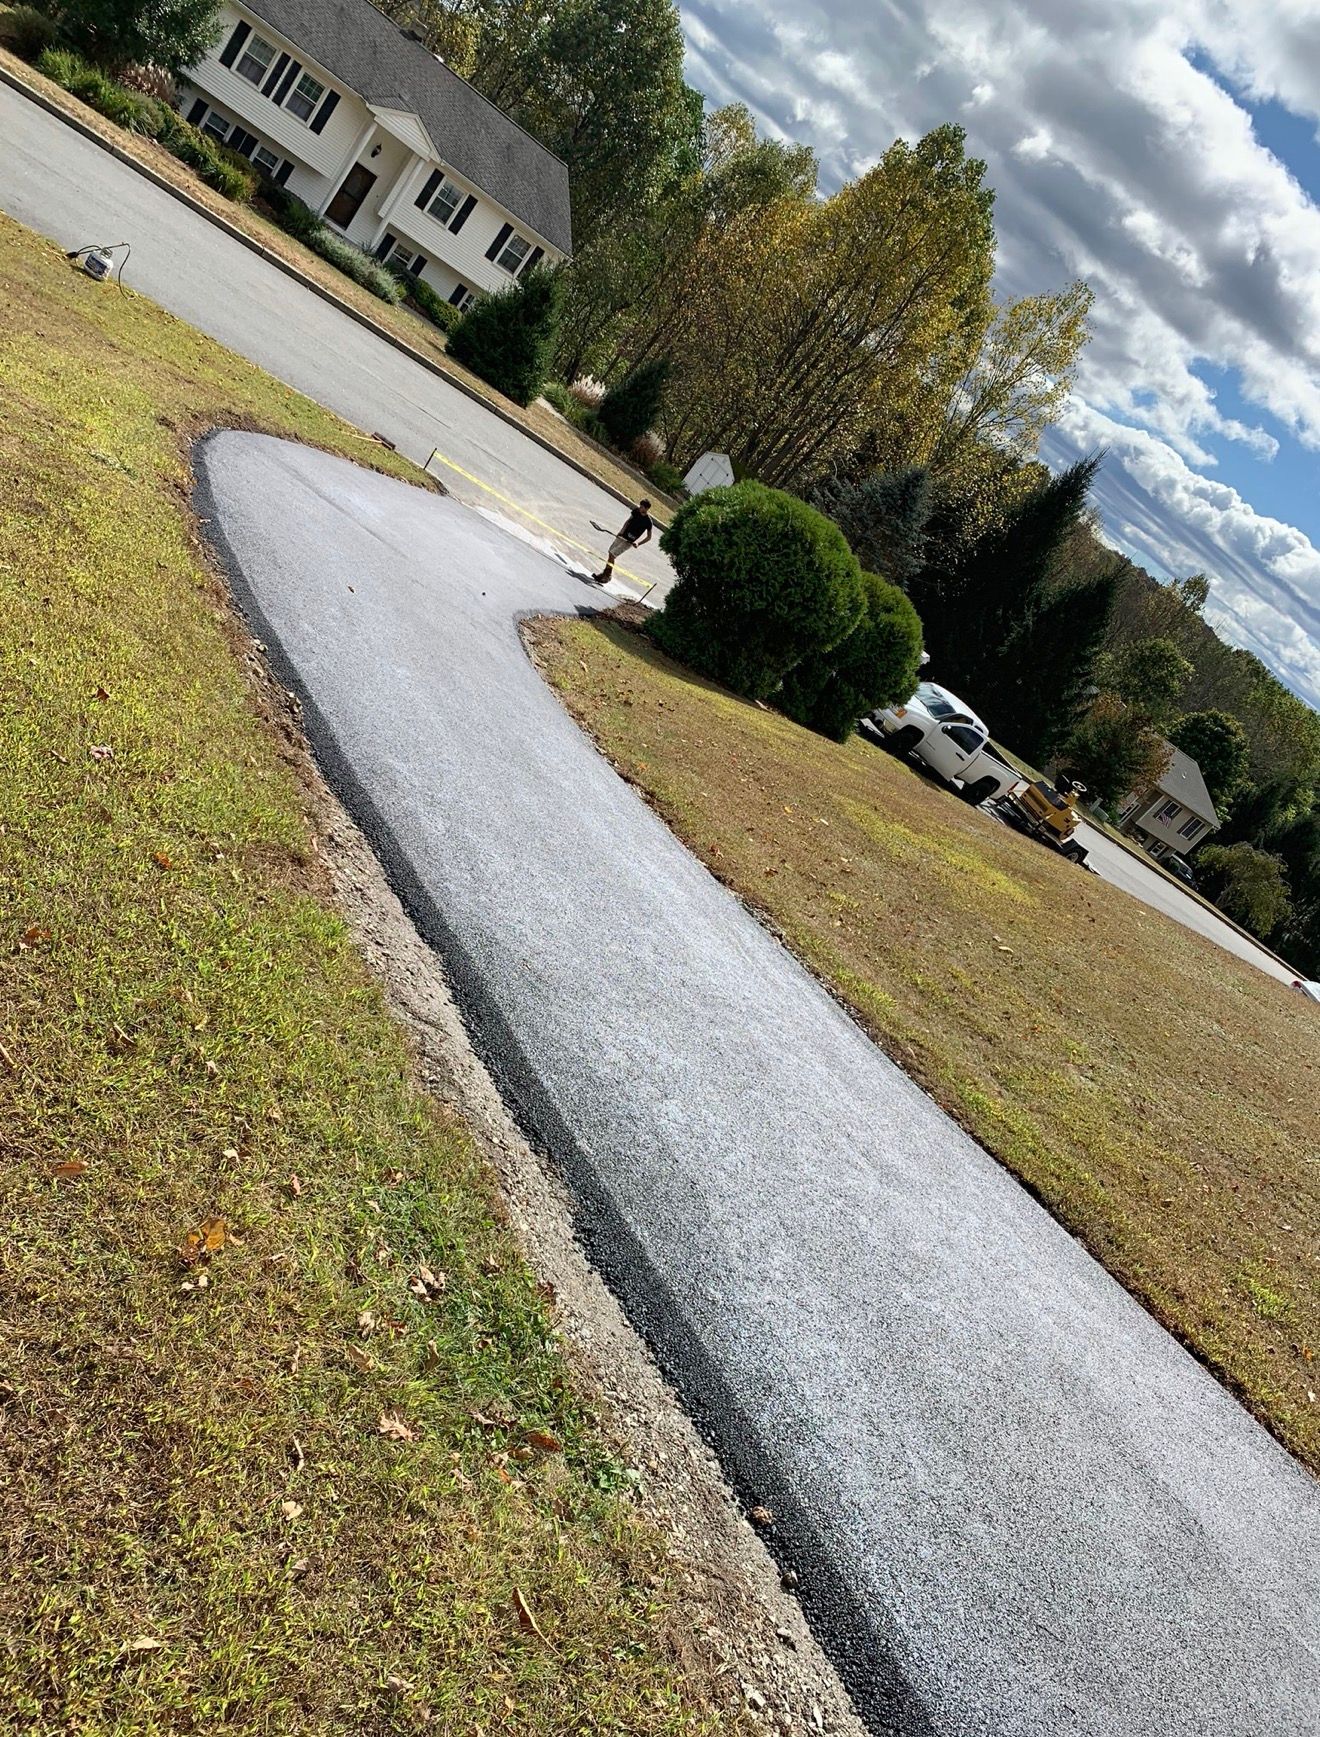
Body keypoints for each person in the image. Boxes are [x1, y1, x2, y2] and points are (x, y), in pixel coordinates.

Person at [592, 499, 653, 583]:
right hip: (622, 536)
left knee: (613, 554)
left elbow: (649, 537)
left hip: (628, 542)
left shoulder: (648, 522)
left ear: (646, 509)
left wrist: (638, 543)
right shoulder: (636, 511)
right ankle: (605, 573)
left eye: (642, 507)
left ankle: (607, 576)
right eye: (640, 506)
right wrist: (621, 531)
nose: (639, 508)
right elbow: (628, 522)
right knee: (610, 552)